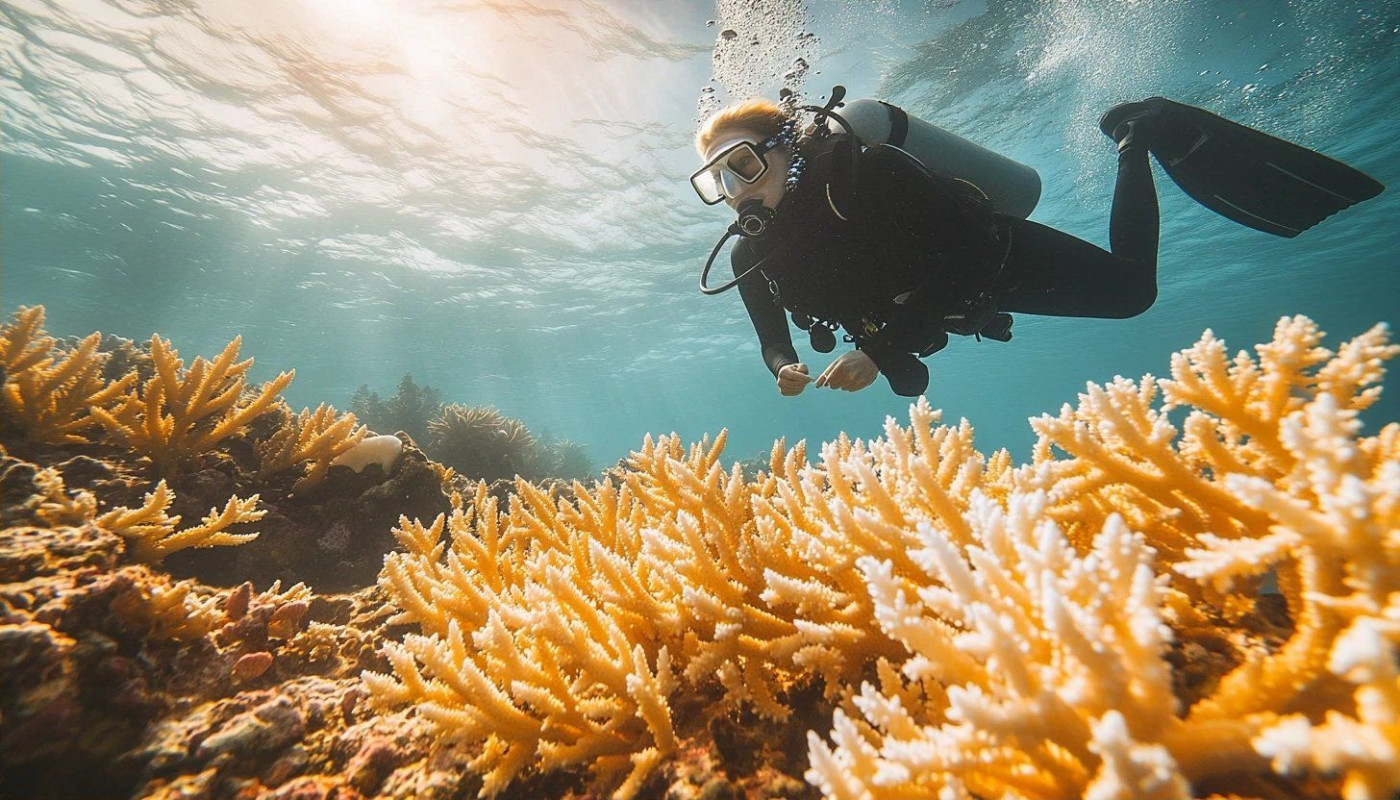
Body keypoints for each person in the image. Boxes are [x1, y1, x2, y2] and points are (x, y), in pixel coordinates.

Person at [690, 92, 1385, 396]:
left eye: (745, 164)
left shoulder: (867, 171)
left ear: (790, 150)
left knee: (1133, 292)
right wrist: (781, 366)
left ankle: (1137, 133)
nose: (735, 188)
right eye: (720, 179)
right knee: (1130, 299)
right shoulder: (751, 252)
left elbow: (967, 248)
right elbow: (770, 337)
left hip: (993, 256)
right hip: (945, 309)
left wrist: (879, 347)